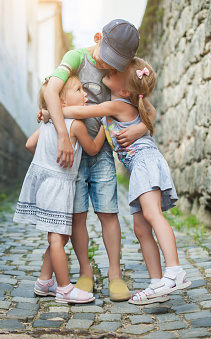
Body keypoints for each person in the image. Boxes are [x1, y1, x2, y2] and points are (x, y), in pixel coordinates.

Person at [51, 57, 191, 305]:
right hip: (139, 166)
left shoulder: (117, 104)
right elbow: (150, 112)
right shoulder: (132, 101)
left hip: (144, 161)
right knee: (141, 229)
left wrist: (51, 110)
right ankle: (157, 282)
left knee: (153, 216)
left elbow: (82, 111)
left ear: (125, 89)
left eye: (115, 71)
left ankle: (175, 270)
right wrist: (142, 127)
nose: (109, 69)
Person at [42, 19, 156, 300]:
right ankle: (85, 272)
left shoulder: (123, 67)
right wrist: (61, 134)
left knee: (108, 212)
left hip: (104, 153)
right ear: (97, 38)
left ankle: (115, 274)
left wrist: (141, 128)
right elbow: (50, 90)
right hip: (75, 155)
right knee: (77, 216)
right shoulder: (77, 57)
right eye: (109, 58)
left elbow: (148, 109)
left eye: (118, 62)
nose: (110, 66)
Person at [13, 76, 106, 304]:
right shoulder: (75, 125)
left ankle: (44, 281)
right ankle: (64, 289)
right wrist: (105, 126)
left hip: (45, 184)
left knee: (59, 238)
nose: (85, 94)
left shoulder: (48, 122)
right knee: (57, 239)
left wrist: (46, 158)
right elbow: (93, 149)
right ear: (61, 102)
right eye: (78, 89)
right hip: (59, 186)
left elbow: (29, 145)